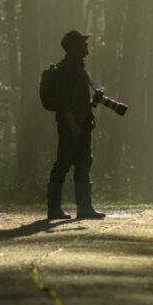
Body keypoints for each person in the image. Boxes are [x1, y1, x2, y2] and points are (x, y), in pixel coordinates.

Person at [47, 30, 106, 221]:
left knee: (84, 163)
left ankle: (85, 208)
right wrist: (72, 123)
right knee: (63, 163)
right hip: (70, 125)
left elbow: (78, 100)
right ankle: (54, 208)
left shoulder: (79, 68)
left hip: (83, 124)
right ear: (73, 48)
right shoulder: (66, 70)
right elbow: (64, 101)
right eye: (82, 42)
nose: (86, 45)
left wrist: (93, 104)